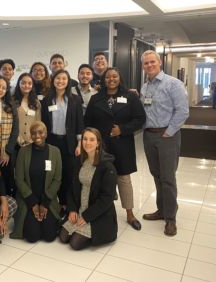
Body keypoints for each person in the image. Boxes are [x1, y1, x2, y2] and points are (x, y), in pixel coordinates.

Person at [84, 68, 146, 230]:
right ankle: (96, 211)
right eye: (107, 77)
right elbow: (87, 121)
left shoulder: (130, 97)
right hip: (101, 146)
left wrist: (123, 129)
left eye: (114, 76)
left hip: (122, 144)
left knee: (124, 179)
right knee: (98, 179)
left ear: (120, 78)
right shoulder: (96, 98)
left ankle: (130, 214)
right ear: (103, 80)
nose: (111, 79)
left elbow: (140, 118)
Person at [140, 50, 189, 236]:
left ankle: (171, 219)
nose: (149, 65)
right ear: (143, 66)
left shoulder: (173, 84)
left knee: (168, 178)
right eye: (146, 63)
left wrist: (169, 132)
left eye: (152, 62)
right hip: (149, 136)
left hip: (167, 136)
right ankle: (161, 210)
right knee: (156, 175)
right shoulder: (145, 87)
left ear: (159, 62)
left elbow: (183, 111)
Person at [59, 128, 117, 250]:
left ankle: (95, 232)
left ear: (98, 143)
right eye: (85, 139)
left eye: (92, 139)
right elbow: (71, 188)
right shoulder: (80, 161)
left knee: (75, 244)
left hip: (97, 213)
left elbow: (107, 198)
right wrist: (72, 209)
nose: (87, 143)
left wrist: (86, 216)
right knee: (63, 237)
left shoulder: (107, 166)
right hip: (80, 207)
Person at [11, 121, 61, 242]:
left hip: (47, 200)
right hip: (28, 199)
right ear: (30, 135)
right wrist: (33, 203)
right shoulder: (23, 152)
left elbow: (57, 179)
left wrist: (44, 203)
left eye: (40, 132)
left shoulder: (55, 152)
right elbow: (19, 179)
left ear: (46, 133)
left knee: (49, 236)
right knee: (32, 237)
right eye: (33, 133)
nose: (37, 135)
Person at [41, 69, 84, 207]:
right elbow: (43, 122)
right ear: (53, 81)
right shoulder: (47, 99)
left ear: (68, 81)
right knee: (52, 173)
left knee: (69, 174)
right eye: (58, 78)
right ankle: (55, 203)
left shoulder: (75, 99)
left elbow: (79, 122)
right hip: (52, 142)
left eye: (64, 79)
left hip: (69, 143)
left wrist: (79, 144)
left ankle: (68, 204)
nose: (60, 81)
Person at [13, 73, 41, 147]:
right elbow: (10, 122)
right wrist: (18, 138)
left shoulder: (36, 102)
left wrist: (33, 138)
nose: (26, 86)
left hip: (31, 140)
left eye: (29, 83)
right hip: (15, 141)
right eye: (23, 83)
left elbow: (38, 122)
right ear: (18, 84)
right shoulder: (12, 101)